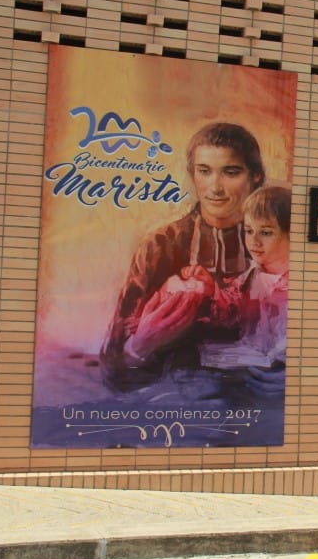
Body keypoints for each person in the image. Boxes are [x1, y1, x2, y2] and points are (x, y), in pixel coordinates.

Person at [100, 122, 266, 391]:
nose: (215, 187)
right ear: (192, 174)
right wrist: (141, 345)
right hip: (173, 401)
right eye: (204, 171)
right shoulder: (160, 245)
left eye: (231, 172)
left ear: (255, 176)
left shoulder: (276, 244)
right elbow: (113, 371)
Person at [199, 186, 291, 401]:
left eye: (266, 232)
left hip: (280, 378)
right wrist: (207, 289)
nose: (254, 241)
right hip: (250, 365)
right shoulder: (250, 275)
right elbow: (228, 311)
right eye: (249, 231)